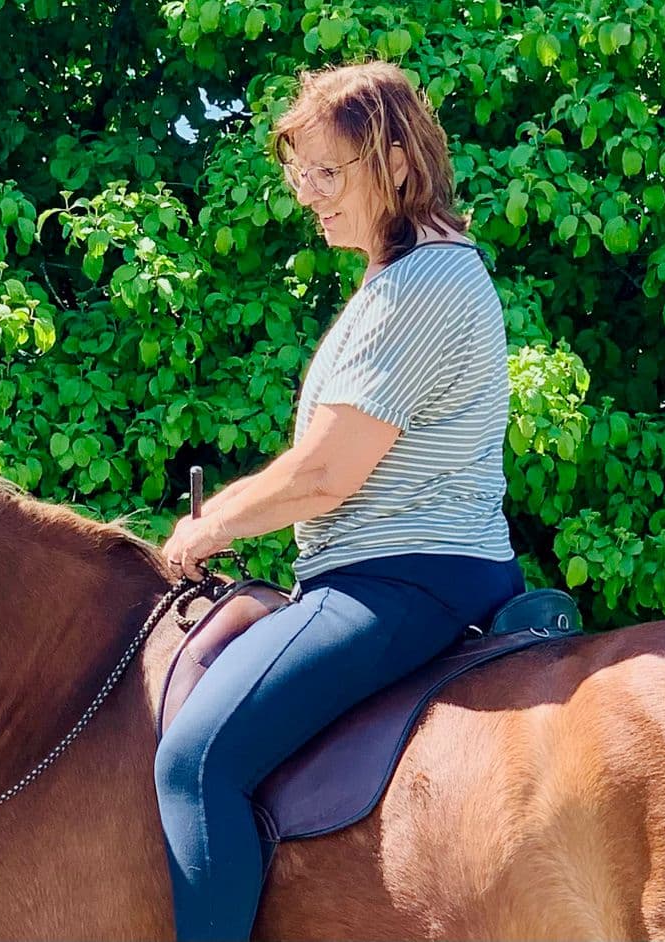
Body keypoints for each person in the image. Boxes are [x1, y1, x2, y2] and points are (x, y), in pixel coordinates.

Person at [155, 61, 525, 940]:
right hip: (398, 572)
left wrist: (209, 526)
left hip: (401, 580)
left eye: (328, 172)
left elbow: (326, 472)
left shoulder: (423, 286)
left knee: (195, 764)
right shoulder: (404, 278)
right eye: (300, 175)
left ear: (394, 162)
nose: (308, 195)